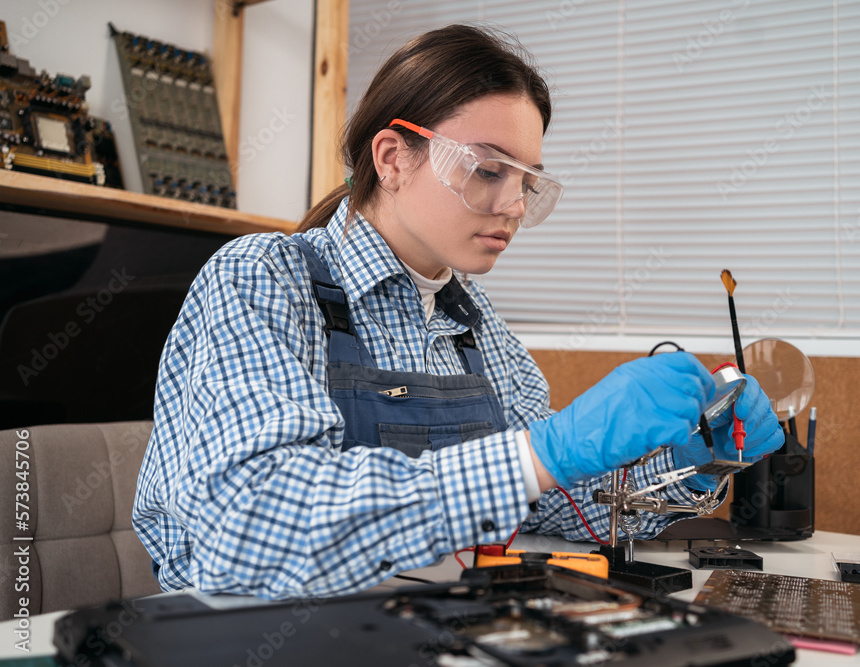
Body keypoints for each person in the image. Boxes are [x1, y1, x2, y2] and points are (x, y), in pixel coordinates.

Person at [133, 24, 783, 600]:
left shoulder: (474, 323)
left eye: (527, 181)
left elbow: (549, 505)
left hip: (423, 622)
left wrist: (689, 460)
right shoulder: (262, 278)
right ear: (393, 158)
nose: (514, 206)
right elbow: (249, 530)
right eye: (488, 170)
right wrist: (541, 451)